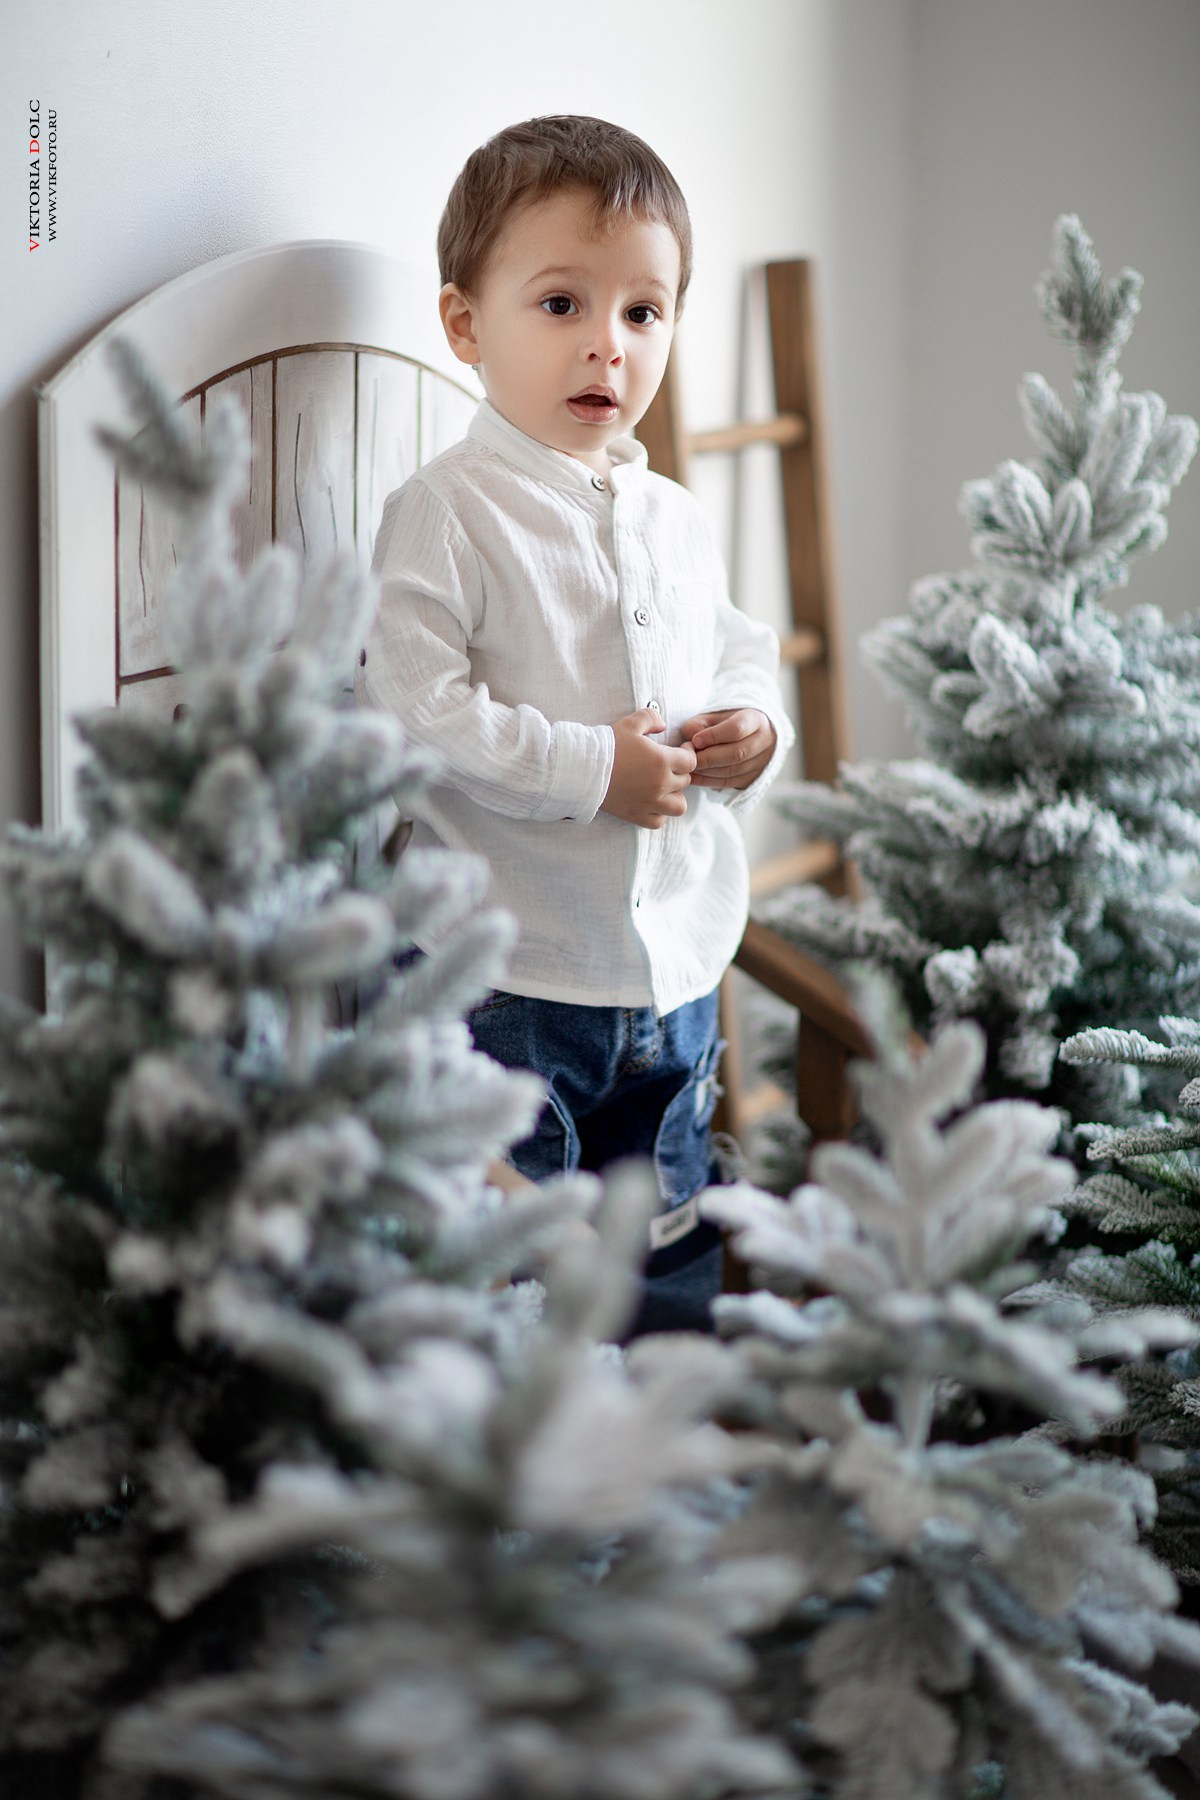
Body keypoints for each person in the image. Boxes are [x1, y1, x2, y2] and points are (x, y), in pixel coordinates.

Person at [356, 114, 794, 1335]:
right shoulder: (450, 512)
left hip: (670, 978)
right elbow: (417, 703)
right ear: (465, 326)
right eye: (561, 304)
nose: (608, 344)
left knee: (659, 1243)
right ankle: (513, 1500)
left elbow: (741, 647)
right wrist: (590, 767)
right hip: (511, 982)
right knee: (504, 1262)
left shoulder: (674, 518)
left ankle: (658, 1461)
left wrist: (752, 729)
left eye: (643, 313)